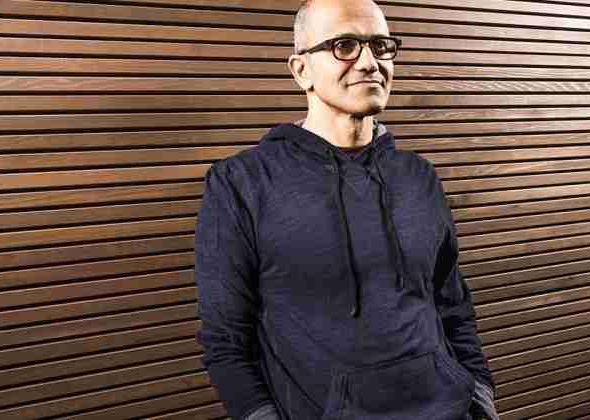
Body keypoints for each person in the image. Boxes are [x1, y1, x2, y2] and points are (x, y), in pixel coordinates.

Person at [194, 0, 499, 419]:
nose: (370, 62)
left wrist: (481, 396)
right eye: (345, 45)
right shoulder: (241, 182)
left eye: (380, 45)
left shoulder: (418, 176)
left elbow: (453, 306)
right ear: (301, 70)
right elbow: (226, 339)